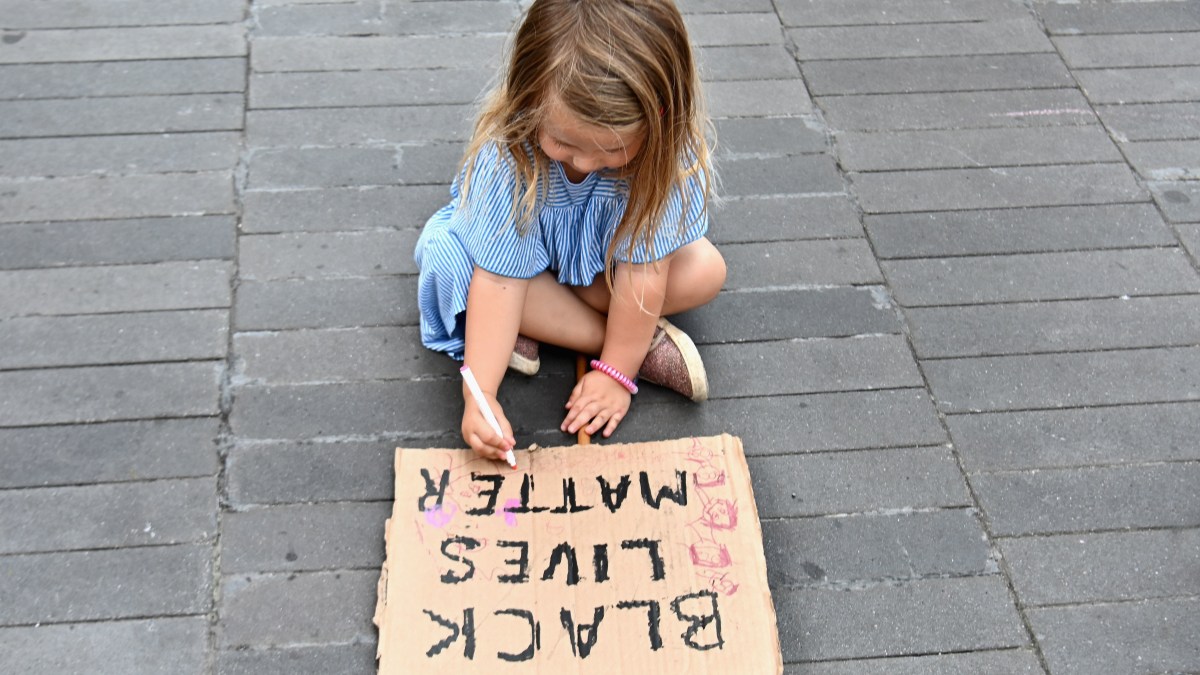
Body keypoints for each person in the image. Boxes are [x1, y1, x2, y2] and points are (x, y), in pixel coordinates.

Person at [414, 0, 726, 461]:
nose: (584, 163)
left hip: (595, 267)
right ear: (528, 98)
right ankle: (633, 341)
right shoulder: (506, 156)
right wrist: (479, 396)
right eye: (563, 142)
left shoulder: (666, 156)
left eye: (612, 151)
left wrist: (615, 375)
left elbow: (644, 273)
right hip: (509, 268)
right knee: (449, 265)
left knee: (705, 271)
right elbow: (498, 282)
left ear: (659, 117)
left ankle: (548, 328)